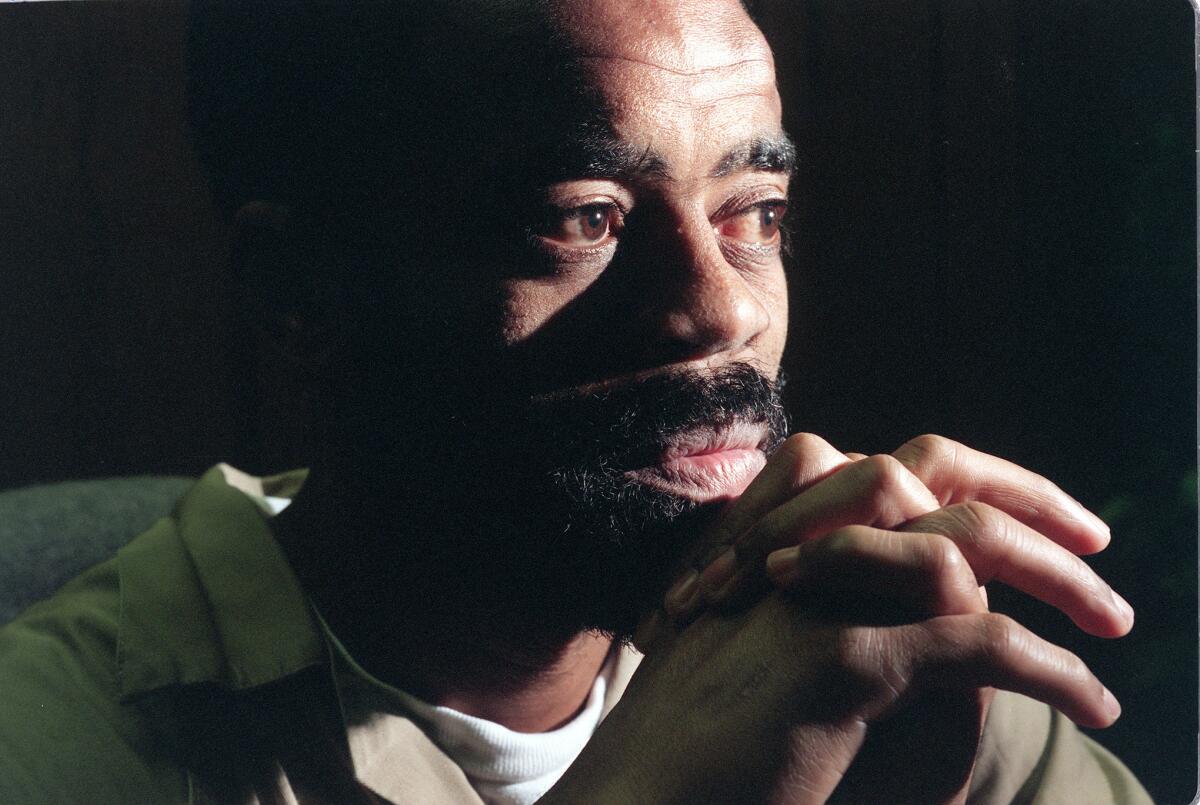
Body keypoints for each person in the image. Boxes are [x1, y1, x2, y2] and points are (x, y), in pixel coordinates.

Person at [0, 0, 1151, 802]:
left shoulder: (868, 638)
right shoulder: (44, 750)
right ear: (301, 292)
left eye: (754, 209)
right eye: (582, 216)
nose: (719, 311)